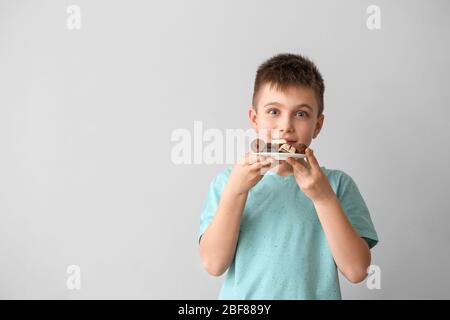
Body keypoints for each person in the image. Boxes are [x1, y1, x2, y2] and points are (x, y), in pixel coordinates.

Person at [198, 53, 379, 299]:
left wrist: (323, 198)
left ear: (317, 125)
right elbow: (213, 264)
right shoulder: (228, 182)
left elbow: (357, 270)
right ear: (254, 119)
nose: (286, 126)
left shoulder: (337, 185)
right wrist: (235, 191)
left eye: (301, 114)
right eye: (274, 111)